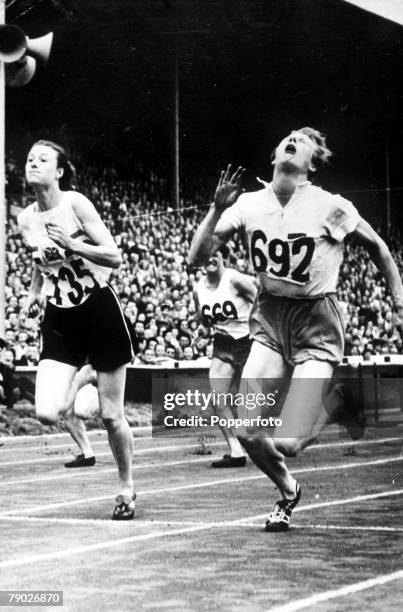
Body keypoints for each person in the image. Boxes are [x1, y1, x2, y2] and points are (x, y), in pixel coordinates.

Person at [189, 127, 403, 530]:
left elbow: (378, 248)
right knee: (248, 428)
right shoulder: (249, 203)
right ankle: (288, 490)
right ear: (274, 155)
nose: (292, 139)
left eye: (302, 141)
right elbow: (197, 256)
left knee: (288, 440)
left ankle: (338, 402)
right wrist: (216, 210)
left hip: (316, 321)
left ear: (313, 162)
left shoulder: (330, 205)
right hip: (270, 316)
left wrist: (398, 301)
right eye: (287, 137)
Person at [18, 140, 135, 520]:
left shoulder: (76, 204)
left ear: (60, 171)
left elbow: (114, 256)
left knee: (113, 415)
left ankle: (126, 488)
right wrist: (35, 291)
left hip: (98, 309)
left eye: (42, 159)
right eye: (30, 159)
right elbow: (40, 258)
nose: (33, 163)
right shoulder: (26, 218)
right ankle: (86, 382)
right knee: (49, 412)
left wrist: (71, 244)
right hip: (60, 314)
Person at [194, 246, 257, 467]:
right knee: (218, 398)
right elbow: (204, 321)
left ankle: (270, 446)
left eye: (215, 255)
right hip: (223, 345)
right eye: (205, 256)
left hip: (251, 342)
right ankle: (236, 451)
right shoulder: (198, 289)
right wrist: (202, 332)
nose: (210, 259)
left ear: (223, 258)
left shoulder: (236, 280)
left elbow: (262, 302)